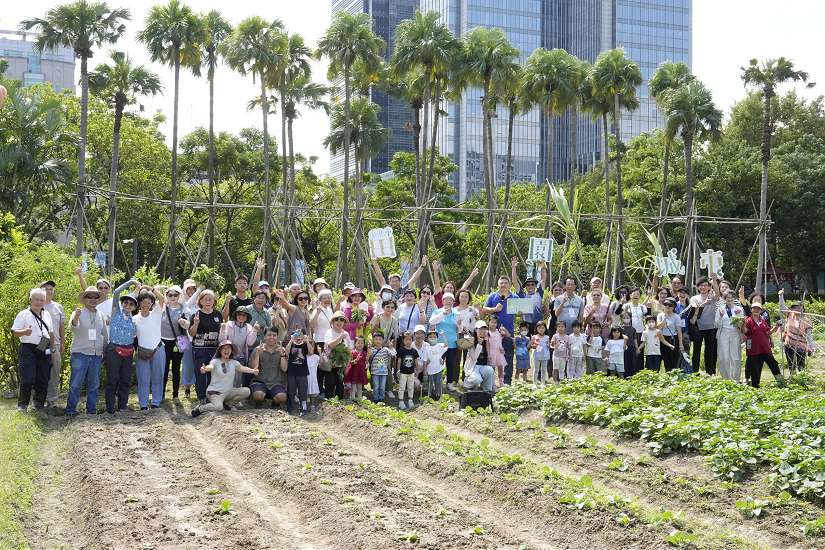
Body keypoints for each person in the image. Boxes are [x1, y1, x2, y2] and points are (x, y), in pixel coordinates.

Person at [11, 288, 56, 411]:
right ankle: (22, 405)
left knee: (43, 377)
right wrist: (25, 331)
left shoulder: (46, 314)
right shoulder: (23, 314)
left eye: (42, 299)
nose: (39, 302)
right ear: (30, 300)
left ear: (45, 300)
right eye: (36, 299)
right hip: (28, 347)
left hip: (43, 345)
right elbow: (14, 332)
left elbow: (50, 333)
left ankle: (38, 405)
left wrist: (53, 349)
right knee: (28, 377)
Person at [66, 286, 108, 416]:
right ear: (84, 299)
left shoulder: (101, 315)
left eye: (96, 297)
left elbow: (104, 334)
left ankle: (91, 411)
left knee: (94, 386)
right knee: (75, 385)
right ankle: (71, 411)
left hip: (96, 355)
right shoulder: (78, 312)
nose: (93, 299)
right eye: (90, 297)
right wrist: (76, 317)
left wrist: (105, 351)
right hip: (80, 354)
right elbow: (72, 328)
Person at [191, 340, 258, 417]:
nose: (226, 350)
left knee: (247, 391)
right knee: (218, 407)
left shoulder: (234, 362)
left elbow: (243, 368)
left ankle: (228, 404)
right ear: (220, 350)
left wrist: (253, 371)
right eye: (224, 348)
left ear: (231, 350)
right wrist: (205, 369)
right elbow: (210, 367)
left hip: (228, 392)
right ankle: (201, 408)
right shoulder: (215, 361)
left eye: (228, 348)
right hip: (215, 392)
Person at [104, 280, 138, 414]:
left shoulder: (132, 320)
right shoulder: (116, 311)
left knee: (125, 379)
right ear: (122, 304)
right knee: (112, 379)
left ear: (134, 307)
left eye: (131, 304)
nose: (128, 305)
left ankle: (122, 406)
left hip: (128, 351)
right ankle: (110, 408)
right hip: (114, 349)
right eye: (126, 302)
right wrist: (131, 282)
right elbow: (117, 292)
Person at [133, 287, 166, 410]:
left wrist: (152, 289)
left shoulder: (156, 313)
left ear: (152, 303)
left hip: (158, 350)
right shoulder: (135, 318)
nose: (146, 304)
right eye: (143, 302)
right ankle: (143, 404)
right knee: (143, 378)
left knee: (158, 376)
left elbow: (163, 299)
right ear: (139, 303)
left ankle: (156, 402)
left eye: (149, 302)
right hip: (142, 352)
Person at [189, 290, 223, 403]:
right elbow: (191, 334)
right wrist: (196, 323)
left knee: (213, 372)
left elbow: (221, 331)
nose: (208, 301)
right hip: (199, 349)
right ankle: (201, 397)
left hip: (214, 349)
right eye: (205, 299)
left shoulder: (218, 315)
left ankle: (212, 396)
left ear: (214, 301)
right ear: (201, 301)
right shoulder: (196, 315)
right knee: (201, 372)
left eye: (211, 299)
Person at [482, 275, 517, 384]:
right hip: (493, 333)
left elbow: (523, 310)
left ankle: (506, 382)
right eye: (501, 283)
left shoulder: (515, 297)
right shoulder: (492, 296)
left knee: (508, 357)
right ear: (498, 284)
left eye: (505, 283)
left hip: (508, 331)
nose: (503, 285)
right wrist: (494, 309)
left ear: (509, 285)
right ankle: (490, 381)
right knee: (492, 356)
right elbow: (483, 309)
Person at [743, 300, 785, 388]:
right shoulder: (748, 320)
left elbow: (767, 333)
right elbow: (745, 331)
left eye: (758, 309)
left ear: (761, 310)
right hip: (754, 347)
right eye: (754, 308)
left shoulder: (762, 320)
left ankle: (781, 382)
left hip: (765, 347)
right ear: (751, 310)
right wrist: (742, 324)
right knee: (755, 367)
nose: (756, 310)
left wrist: (776, 327)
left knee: (773, 363)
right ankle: (755, 385)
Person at [160, 285, 187, 402]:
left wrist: (184, 322)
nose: (173, 297)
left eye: (175, 295)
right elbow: (156, 292)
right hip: (164, 342)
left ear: (179, 296)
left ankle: (175, 395)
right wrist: (162, 287)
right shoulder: (163, 307)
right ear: (166, 296)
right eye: (170, 295)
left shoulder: (183, 309)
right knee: (164, 368)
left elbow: (188, 324)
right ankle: (161, 394)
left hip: (178, 342)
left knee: (176, 368)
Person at [40, 280, 65, 408]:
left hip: (55, 343)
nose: (49, 291)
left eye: (51, 289)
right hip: (41, 343)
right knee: (41, 371)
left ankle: (52, 400)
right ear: (41, 291)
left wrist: (62, 343)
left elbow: (61, 327)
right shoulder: (38, 305)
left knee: (55, 371)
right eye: (46, 288)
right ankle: (38, 400)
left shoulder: (58, 307)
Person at [219, 306, 258, 387]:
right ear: (235, 315)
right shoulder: (228, 324)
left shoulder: (249, 327)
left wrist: (255, 330)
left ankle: (236, 396)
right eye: (239, 314)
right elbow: (222, 340)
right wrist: (222, 330)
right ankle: (226, 395)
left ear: (247, 317)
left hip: (241, 356)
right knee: (227, 376)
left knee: (238, 378)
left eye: (244, 315)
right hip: (228, 355)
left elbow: (250, 343)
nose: (241, 316)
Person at [249, 327, 287, 409]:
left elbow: (284, 369)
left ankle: (275, 403)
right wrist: (258, 355)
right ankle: (260, 402)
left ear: (277, 336)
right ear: (264, 337)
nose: (272, 337)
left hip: (276, 383)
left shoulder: (282, 350)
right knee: (258, 396)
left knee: (282, 397)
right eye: (269, 335)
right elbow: (253, 368)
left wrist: (282, 355)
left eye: (274, 335)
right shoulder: (258, 349)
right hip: (260, 381)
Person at [429, 292, 460, 391]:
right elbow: (432, 322)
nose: (448, 302)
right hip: (439, 344)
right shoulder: (438, 312)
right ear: (442, 301)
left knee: (451, 364)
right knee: (437, 363)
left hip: (452, 343)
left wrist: (460, 324)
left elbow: (459, 329)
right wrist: (443, 314)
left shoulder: (456, 314)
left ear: (453, 302)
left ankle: (449, 383)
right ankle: (437, 383)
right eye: (446, 300)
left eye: (451, 300)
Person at [778, 289, 814, 373]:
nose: (797, 309)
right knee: (791, 365)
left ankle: (801, 380)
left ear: (803, 309)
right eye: (795, 308)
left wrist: (811, 347)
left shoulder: (807, 320)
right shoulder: (790, 315)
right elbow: (782, 308)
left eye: (799, 307)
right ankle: (792, 379)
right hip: (789, 344)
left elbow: (809, 336)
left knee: (801, 366)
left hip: (801, 346)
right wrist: (781, 296)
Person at [690, 276, 719, 375]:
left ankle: (710, 372)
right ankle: (695, 372)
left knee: (710, 351)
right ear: (698, 287)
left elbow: (718, 293)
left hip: (712, 327)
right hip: (698, 327)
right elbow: (694, 310)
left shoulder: (713, 296)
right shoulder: (694, 298)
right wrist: (703, 303)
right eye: (701, 285)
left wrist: (714, 280)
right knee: (696, 350)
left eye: (705, 285)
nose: (703, 287)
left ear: (709, 287)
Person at [716, 290, 745, 381]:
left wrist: (738, 320)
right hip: (723, 333)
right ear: (724, 299)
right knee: (723, 357)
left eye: (731, 297)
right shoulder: (720, 309)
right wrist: (720, 316)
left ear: (734, 298)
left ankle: (735, 379)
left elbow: (741, 325)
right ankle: (726, 378)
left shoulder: (739, 309)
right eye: (727, 297)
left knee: (735, 357)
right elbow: (716, 325)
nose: (729, 299)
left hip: (735, 333)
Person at [513, 258, 547, 333]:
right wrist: (514, 267)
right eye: (528, 285)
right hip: (526, 325)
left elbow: (543, 279)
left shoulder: (539, 293)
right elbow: (515, 282)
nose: (530, 286)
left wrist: (543, 265)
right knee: (526, 344)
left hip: (538, 324)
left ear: (535, 286)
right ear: (526, 287)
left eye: (532, 284)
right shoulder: (523, 295)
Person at [462, 320, 497, 394]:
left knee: (490, 370)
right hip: (473, 367)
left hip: (483, 366)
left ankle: (486, 390)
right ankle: (467, 384)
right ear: (475, 330)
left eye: (484, 329)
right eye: (480, 329)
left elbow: (490, 359)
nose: (483, 331)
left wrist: (493, 384)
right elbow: (474, 357)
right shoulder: (470, 341)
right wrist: (479, 344)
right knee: (477, 380)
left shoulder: (487, 341)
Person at [180, 279, 201, 398]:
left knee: (197, 362)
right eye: (189, 289)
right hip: (183, 338)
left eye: (193, 289)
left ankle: (198, 386)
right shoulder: (183, 303)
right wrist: (199, 290)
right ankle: (187, 386)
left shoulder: (199, 304)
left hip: (197, 338)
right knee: (187, 363)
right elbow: (187, 305)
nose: (191, 291)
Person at [323, 311, 351, 399]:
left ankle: (339, 401)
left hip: (341, 363)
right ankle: (329, 400)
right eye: (336, 320)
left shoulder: (346, 334)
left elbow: (349, 349)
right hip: (331, 362)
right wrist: (340, 337)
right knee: (330, 382)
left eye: (341, 320)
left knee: (340, 382)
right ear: (333, 322)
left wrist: (347, 364)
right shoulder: (329, 332)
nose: (339, 322)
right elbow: (330, 345)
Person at [284, 330, 311, 416]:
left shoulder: (304, 344)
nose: (298, 337)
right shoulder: (291, 344)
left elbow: (311, 352)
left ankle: (303, 407)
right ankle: (290, 407)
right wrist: (291, 341)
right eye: (296, 335)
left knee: (303, 391)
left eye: (300, 335)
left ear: (303, 336)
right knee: (291, 391)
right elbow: (286, 352)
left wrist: (307, 341)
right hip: (292, 372)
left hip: (302, 372)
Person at [658, 298, 684, 372]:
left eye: (669, 305)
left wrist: (681, 344)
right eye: (665, 304)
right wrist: (665, 318)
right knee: (664, 358)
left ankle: (673, 376)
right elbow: (658, 327)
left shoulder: (676, 316)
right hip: (662, 338)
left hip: (673, 339)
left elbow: (679, 331)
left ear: (673, 307)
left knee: (673, 360)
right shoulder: (660, 315)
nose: (667, 307)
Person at [367, 332, 394, 402]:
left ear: (382, 341)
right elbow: (368, 356)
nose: (378, 341)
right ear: (373, 340)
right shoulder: (372, 350)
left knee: (382, 386)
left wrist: (391, 347)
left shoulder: (385, 349)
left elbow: (393, 354)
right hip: (375, 372)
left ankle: (381, 398)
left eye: (380, 339)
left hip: (384, 372)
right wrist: (369, 347)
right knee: (376, 386)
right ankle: (376, 398)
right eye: (376, 339)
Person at [396, 332, 419, 410]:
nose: (408, 341)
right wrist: (398, 370)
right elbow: (399, 361)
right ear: (403, 340)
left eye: (410, 340)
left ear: (412, 340)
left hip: (411, 372)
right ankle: (401, 401)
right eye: (406, 340)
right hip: (403, 372)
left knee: (410, 386)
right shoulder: (401, 350)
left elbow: (416, 361)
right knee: (402, 387)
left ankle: (410, 400)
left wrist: (417, 370)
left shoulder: (414, 351)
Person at [424, 329, 447, 400]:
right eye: (430, 337)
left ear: (437, 338)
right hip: (430, 368)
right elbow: (425, 358)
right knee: (430, 381)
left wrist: (443, 336)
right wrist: (425, 366)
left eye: (434, 337)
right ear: (427, 339)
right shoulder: (426, 347)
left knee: (438, 381)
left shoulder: (439, 345)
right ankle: (430, 393)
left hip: (438, 367)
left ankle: (439, 393)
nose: (432, 338)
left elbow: (446, 345)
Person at [486, 315, 508, 387]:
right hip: (492, 353)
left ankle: (501, 382)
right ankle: (492, 383)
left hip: (499, 352)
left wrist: (504, 330)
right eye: (492, 322)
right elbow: (487, 345)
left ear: (497, 324)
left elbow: (508, 335)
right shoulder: (487, 333)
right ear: (488, 322)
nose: (493, 324)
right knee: (492, 369)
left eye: (495, 322)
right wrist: (488, 354)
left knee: (500, 368)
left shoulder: (499, 332)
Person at [345, 335, 368, 401]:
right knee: (353, 387)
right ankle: (352, 398)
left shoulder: (364, 353)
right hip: (354, 372)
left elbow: (366, 362)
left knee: (360, 386)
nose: (360, 344)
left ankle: (359, 398)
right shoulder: (352, 352)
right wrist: (355, 361)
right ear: (355, 344)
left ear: (364, 344)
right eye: (358, 343)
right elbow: (350, 362)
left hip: (361, 372)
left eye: (362, 343)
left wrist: (367, 363)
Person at [531, 321, 551, 385]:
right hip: (537, 356)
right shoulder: (534, 336)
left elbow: (549, 346)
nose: (541, 329)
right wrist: (533, 345)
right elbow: (532, 346)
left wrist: (549, 345)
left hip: (545, 356)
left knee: (543, 370)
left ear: (545, 329)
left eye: (543, 328)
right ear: (536, 328)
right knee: (536, 369)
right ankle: (534, 383)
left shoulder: (547, 337)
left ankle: (543, 383)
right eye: (539, 328)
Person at [620, 310, 638, 378]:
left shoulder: (633, 329)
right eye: (624, 318)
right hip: (623, 348)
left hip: (631, 347)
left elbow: (635, 339)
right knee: (624, 362)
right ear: (621, 319)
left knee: (632, 362)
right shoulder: (620, 328)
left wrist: (637, 348)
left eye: (627, 317)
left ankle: (631, 376)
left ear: (630, 318)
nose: (626, 319)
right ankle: (624, 376)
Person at [306, 343, 322, 412]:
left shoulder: (315, 356)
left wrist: (320, 352)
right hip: (305, 378)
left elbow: (321, 363)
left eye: (312, 346)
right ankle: (305, 405)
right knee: (305, 391)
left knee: (313, 392)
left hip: (313, 378)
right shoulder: (303, 356)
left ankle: (312, 405)